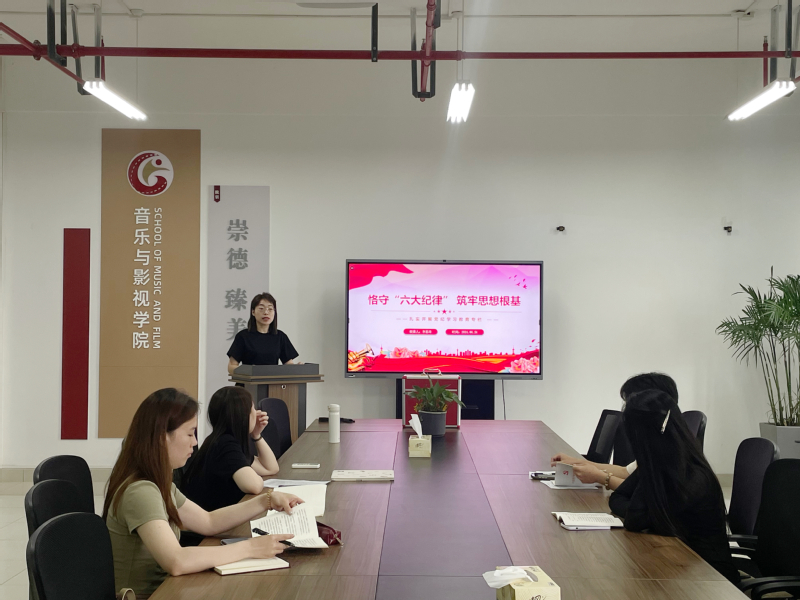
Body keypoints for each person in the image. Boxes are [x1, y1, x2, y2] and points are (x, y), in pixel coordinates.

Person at [103, 388, 302, 598]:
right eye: (190, 434)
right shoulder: (141, 491)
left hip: (170, 588)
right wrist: (250, 548)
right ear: (162, 437)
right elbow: (177, 561)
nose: (195, 442)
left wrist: (266, 501)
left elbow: (208, 521)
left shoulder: (158, 484)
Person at [608, 390, 739, 584]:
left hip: (709, 578)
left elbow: (635, 518)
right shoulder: (661, 463)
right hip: (677, 566)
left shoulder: (690, 477)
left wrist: (641, 507)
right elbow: (617, 497)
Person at [550, 372, 679, 490]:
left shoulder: (669, 447)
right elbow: (626, 472)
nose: (627, 410)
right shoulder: (657, 436)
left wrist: (600, 477)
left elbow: (643, 494)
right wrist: (577, 462)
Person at [180, 386, 280, 511]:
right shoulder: (224, 444)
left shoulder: (221, 439)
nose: (256, 413)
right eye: (252, 409)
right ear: (242, 416)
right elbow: (254, 486)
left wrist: (256, 435)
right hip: (210, 519)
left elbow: (270, 468)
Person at [227, 292, 299, 375]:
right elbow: (231, 366)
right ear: (253, 312)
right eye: (261, 308)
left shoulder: (280, 336)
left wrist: (298, 368)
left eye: (270, 309)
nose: (266, 312)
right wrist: (250, 372)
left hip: (273, 382)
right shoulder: (243, 336)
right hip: (249, 382)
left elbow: (289, 365)